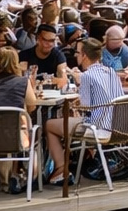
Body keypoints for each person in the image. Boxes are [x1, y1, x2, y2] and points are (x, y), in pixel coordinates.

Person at [42, 38, 122, 186]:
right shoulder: (111, 71)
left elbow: (84, 107)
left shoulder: (86, 76)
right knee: (68, 121)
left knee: (49, 125)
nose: (76, 55)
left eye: (77, 52)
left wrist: (79, 83)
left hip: (98, 127)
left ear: (84, 55)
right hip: (118, 125)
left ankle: (61, 169)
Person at [0, 46, 40, 195]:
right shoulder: (23, 81)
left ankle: (5, 180)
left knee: (4, 131)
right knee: (32, 133)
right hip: (16, 138)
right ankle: (27, 177)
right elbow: (32, 106)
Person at [20, 23, 71, 90]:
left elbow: (63, 80)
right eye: (45, 40)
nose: (49, 44)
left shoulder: (58, 55)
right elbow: (21, 80)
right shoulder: (24, 55)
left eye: (52, 41)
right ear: (37, 38)